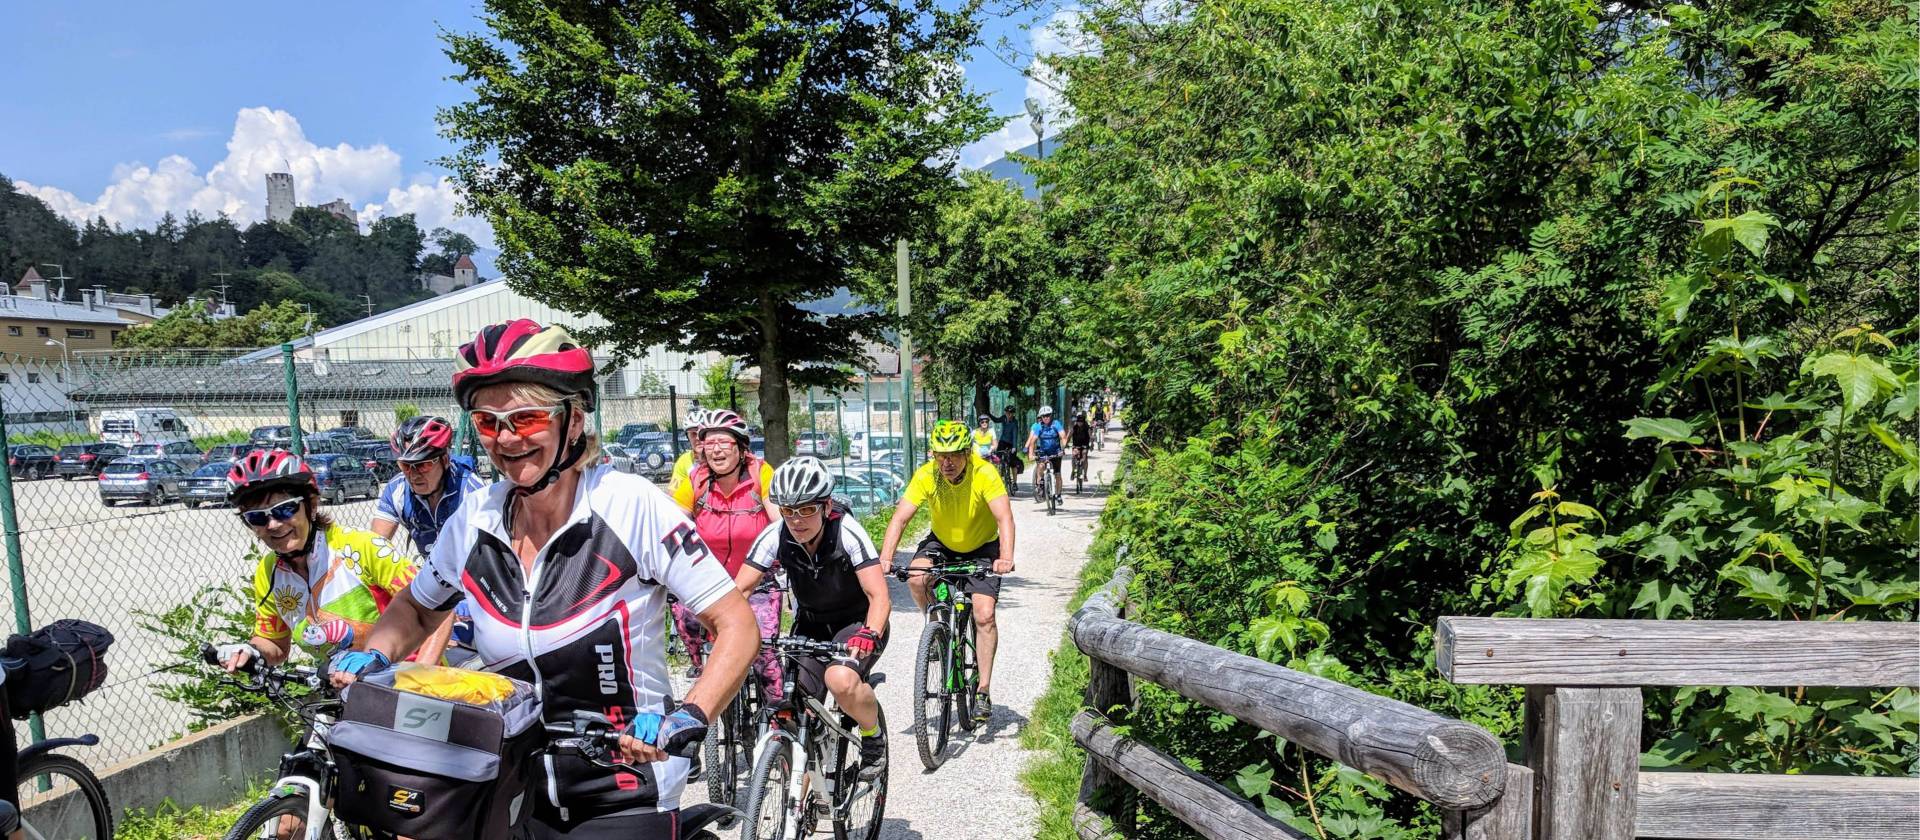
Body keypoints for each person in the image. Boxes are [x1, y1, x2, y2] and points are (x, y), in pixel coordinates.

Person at [333, 319, 759, 839]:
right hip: (510, 776)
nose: (507, 438)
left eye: (527, 418)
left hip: (625, 783)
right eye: (488, 423)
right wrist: (377, 652)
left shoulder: (630, 507)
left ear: (573, 421)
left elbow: (737, 624)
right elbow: (420, 609)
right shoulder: (473, 519)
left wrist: (691, 712)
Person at [215, 449, 450, 672]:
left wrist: (420, 674)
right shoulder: (269, 572)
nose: (273, 525)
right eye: (257, 517)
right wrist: (251, 651)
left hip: (410, 680)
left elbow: (441, 607)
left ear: (312, 505)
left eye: (285, 509)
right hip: (346, 687)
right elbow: (274, 645)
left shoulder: (361, 547)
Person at [738, 457, 891, 777]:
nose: (796, 520)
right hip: (810, 624)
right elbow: (740, 590)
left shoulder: (847, 531)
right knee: (786, 698)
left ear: (826, 506)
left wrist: (869, 633)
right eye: (788, 510)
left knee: (840, 680)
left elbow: (879, 596)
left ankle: (873, 736)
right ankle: (802, 797)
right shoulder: (774, 534)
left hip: (856, 623)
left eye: (806, 509)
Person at [876, 420, 1015, 724]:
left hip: (983, 547)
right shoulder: (927, 475)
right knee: (916, 577)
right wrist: (885, 558)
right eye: (940, 455)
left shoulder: (984, 473)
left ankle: (983, 690)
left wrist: (1005, 557)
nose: (947, 462)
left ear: (967, 452)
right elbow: (900, 519)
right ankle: (936, 628)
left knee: (984, 614)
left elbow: (1004, 519)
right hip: (942, 542)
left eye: (953, 455)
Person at [673, 409, 780, 693]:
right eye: (709, 443)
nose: (716, 450)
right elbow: (673, 527)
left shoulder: (761, 474)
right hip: (710, 582)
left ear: (742, 447)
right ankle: (701, 664)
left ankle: (779, 717)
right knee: (683, 614)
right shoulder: (696, 481)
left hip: (758, 582)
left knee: (765, 650)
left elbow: (779, 525)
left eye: (724, 443)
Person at [369, 415, 486, 664]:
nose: (413, 474)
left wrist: (465, 605)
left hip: (473, 586)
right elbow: (373, 549)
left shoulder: (471, 492)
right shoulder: (397, 491)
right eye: (405, 465)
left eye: (422, 465)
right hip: (433, 585)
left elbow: (489, 562)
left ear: (444, 460)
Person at [1024, 405, 1067, 503]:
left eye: (1048, 415)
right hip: (1044, 452)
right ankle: (1040, 484)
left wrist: (1063, 449)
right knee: (1040, 466)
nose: (1046, 418)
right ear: (1041, 417)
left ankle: (1058, 495)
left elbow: (1063, 437)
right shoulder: (1039, 427)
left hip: (1056, 452)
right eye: (1043, 416)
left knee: (1057, 474)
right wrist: (1030, 454)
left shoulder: (1056, 424)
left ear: (1051, 415)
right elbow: (1033, 441)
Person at [666, 408, 709, 497]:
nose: (698, 438)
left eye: (702, 433)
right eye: (693, 434)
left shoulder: (720, 458)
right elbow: (673, 493)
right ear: (687, 437)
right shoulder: (684, 460)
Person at [993, 405, 1023, 491]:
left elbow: (1015, 435)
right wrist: (988, 414)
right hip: (1003, 441)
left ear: (1013, 414)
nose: (1008, 414)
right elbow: (996, 420)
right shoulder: (1003, 418)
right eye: (1007, 413)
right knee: (997, 458)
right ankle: (1001, 472)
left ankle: (1014, 483)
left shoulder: (1014, 423)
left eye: (1010, 413)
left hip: (1011, 443)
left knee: (1013, 463)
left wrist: (1014, 447)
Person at [1069, 412, 1093, 480]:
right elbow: (1069, 435)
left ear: (1083, 422)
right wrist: (1066, 444)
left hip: (1085, 445)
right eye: (1078, 422)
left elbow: (1090, 436)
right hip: (1076, 445)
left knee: (1085, 457)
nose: (1080, 423)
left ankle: (1085, 475)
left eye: (1081, 422)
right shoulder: (1074, 427)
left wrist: (1091, 444)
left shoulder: (1087, 427)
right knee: (1074, 456)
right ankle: (1073, 471)